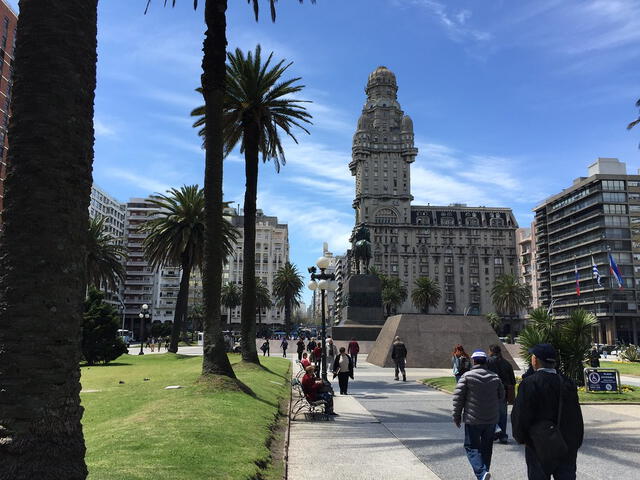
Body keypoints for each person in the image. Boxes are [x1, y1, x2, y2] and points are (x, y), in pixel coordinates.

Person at [512, 343, 584, 480]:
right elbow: (576, 415)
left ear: (535, 360)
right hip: (566, 443)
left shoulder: (530, 383)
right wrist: (576, 441)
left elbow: (521, 415)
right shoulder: (567, 382)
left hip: (539, 444)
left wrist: (520, 437)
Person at [452, 350, 504, 480]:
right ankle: (484, 472)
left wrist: (456, 416)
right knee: (487, 447)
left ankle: (481, 473)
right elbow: (501, 396)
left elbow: (458, 399)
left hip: (473, 419)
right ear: (485, 362)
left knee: (471, 446)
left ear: (474, 361)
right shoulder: (495, 377)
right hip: (491, 420)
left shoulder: (467, 376)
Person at [487, 344, 516, 444]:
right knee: (503, 415)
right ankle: (503, 435)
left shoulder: (488, 361)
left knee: (489, 413)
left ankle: (494, 431)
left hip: (491, 391)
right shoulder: (507, 364)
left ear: (491, 351)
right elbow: (513, 381)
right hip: (504, 392)